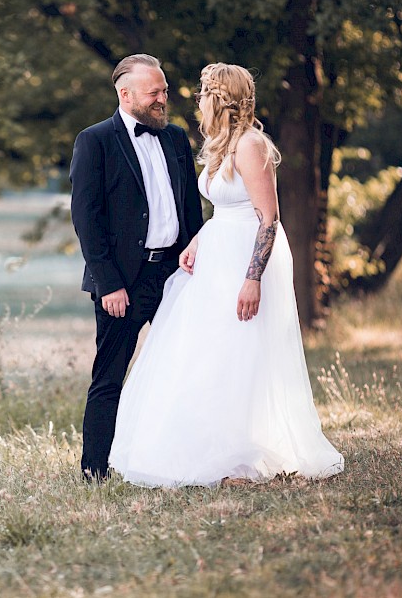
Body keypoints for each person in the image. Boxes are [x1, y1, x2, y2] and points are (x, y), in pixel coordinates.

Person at [108, 63, 344, 487]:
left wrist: (252, 279)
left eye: (202, 93)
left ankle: (239, 458)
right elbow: (224, 208)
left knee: (239, 352)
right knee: (209, 352)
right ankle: (209, 451)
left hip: (246, 259)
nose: (196, 99)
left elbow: (267, 219)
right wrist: (198, 242)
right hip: (217, 256)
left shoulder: (252, 144)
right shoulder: (221, 144)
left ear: (218, 99)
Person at [70, 53, 204, 482]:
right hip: (122, 283)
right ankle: (95, 471)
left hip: (175, 273)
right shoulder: (95, 140)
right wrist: (109, 283)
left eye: (164, 90)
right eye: (155, 92)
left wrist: (198, 263)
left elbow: (189, 211)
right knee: (109, 376)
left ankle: (176, 463)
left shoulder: (176, 138)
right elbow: (86, 218)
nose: (164, 98)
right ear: (125, 95)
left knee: (183, 369)